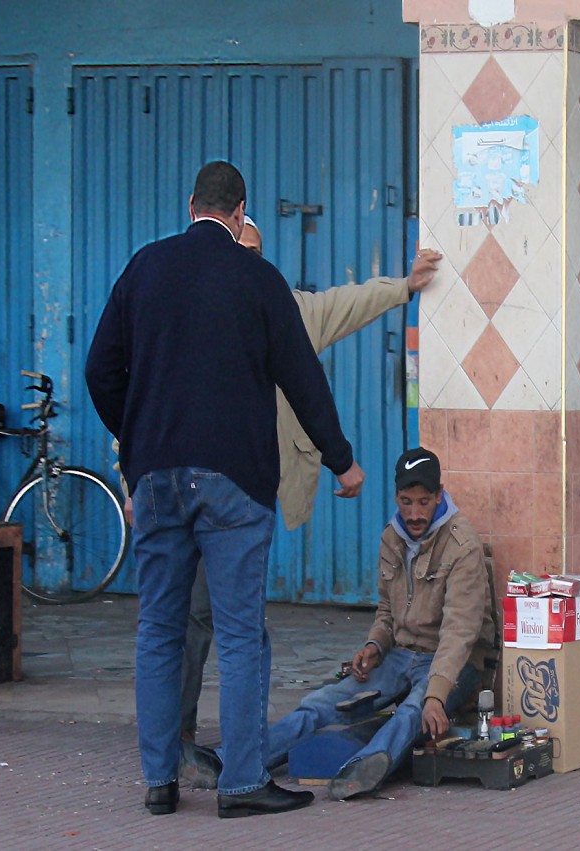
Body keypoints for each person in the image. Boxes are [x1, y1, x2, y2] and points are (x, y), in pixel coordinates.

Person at [85, 161, 365, 819]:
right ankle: (241, 784)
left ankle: (160, 780)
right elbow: (303, 378)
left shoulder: (143, 268)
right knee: (240, 634)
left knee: (159, 627)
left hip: (156, 477)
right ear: (240, 212)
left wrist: (138, 436)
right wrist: (342, 462)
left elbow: (100, 370)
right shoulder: (258, 279)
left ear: (191, 205)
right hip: (235, 481)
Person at [179, 221, 443, 778]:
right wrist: (134, 476)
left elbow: (343, 306)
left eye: (253, 252)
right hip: (190, 488)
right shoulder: (188, 311)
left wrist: (404, 286)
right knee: (191, 616)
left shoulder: (286, 311)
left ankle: (236, 751)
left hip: (249, 497)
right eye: (236, 250)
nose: (243, 261)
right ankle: (184, 743)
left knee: (236, 622)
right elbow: (139, 389)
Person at [195, 446, 495, 801]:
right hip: (401, 655)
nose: (414, 513)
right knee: (323, 702)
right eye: (406, 502)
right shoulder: (392, 537)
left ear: (440, 495)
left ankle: (365, 768)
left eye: (424, 502)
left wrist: (437, 696)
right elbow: (387, 610)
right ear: (396, 497)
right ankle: (234, 762)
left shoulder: (463, 545)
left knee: (414, 711)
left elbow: (459, 633)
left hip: (453, 663)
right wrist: (374, 646)